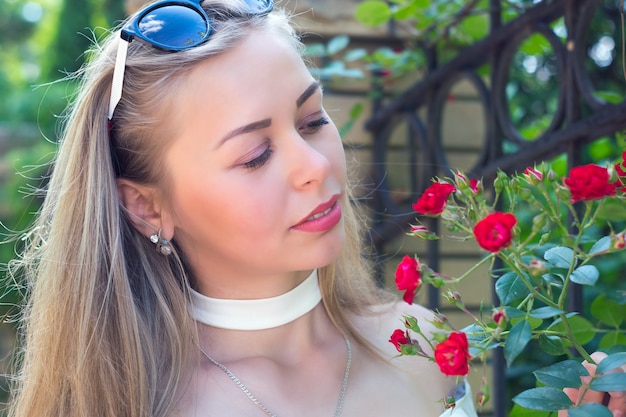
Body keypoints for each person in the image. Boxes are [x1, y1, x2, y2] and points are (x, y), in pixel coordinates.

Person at [5, 1, 623, 416]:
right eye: (253, 156)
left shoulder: (424, 343)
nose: (316, 165)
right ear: (145, 206)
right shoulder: (137, 404)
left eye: (313, 119)